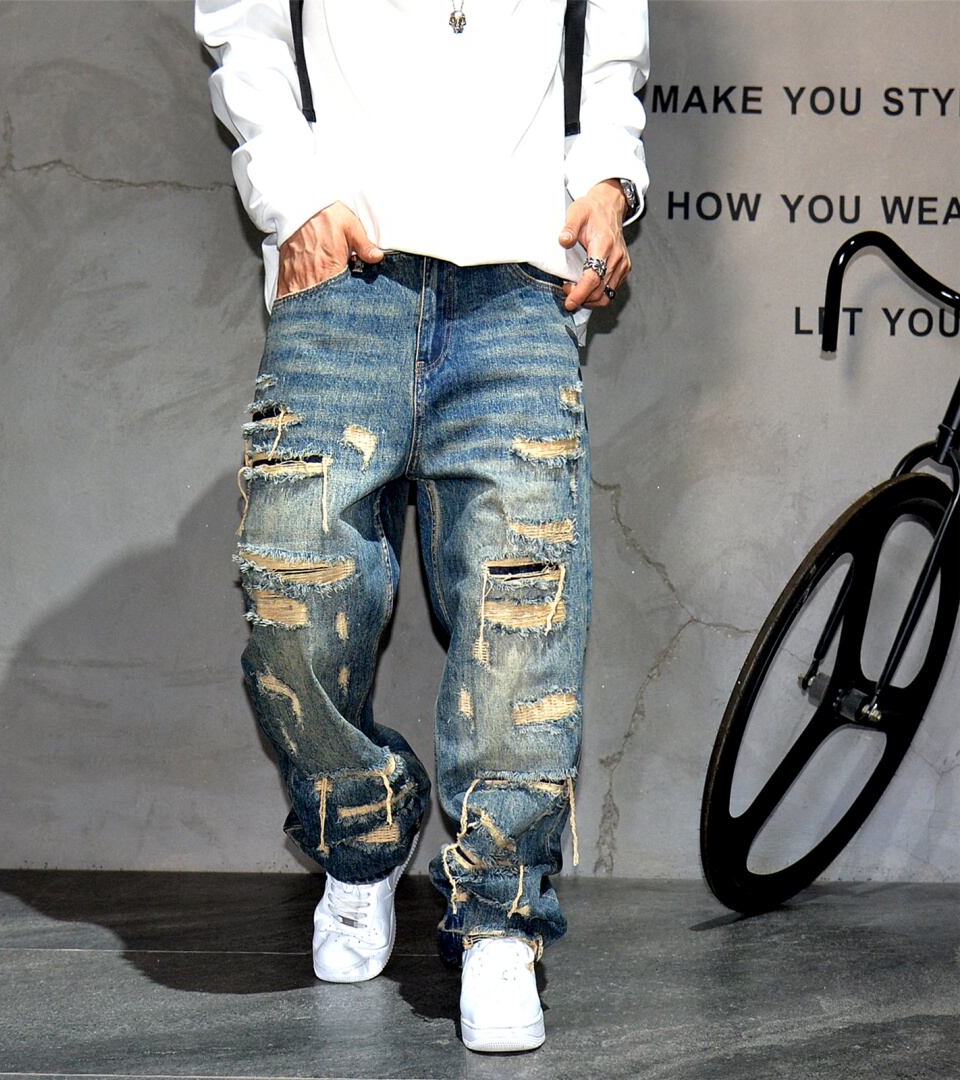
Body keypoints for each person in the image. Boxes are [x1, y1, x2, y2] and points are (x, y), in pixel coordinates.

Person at [194, 0, 649, 1053]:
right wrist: (294, 194)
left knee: (524, 619)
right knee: (291, 600)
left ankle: (500, 919)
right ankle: (363, 833)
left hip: (521, 278)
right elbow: (242, 22)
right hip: (344, 264)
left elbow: (609, 41)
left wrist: (607, 181)